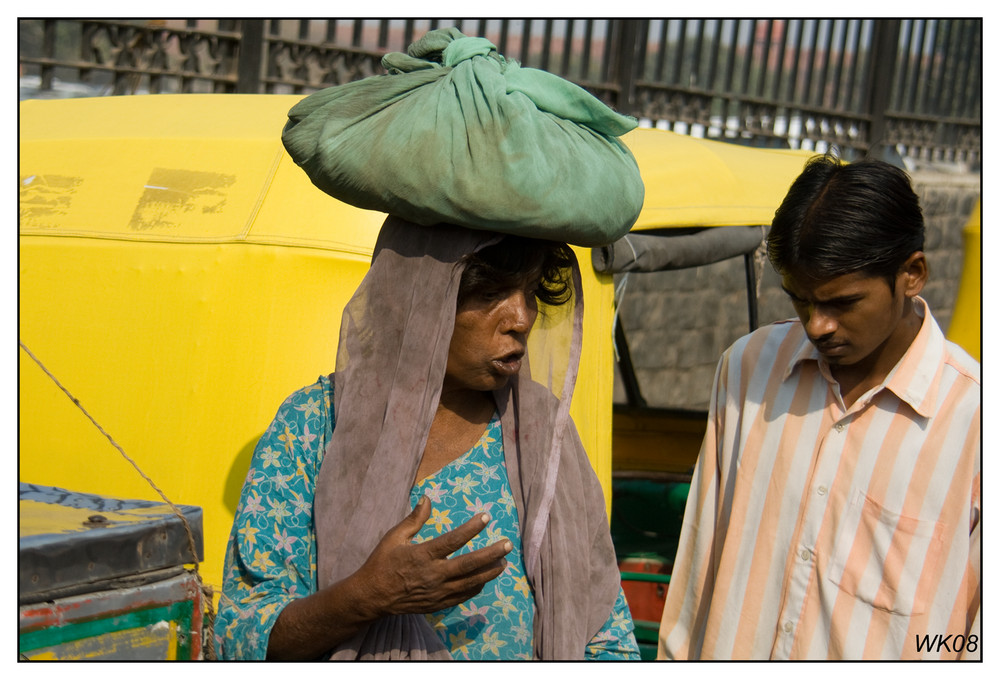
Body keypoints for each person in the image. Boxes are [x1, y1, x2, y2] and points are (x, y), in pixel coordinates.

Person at [214, 219, 641, 660]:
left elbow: (606, 637)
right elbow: (241, 636)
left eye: (531, 291)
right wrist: (366, 597)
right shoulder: (313, 424)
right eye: (491, 293)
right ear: (415, 299)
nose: (522, 318)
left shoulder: (541, 432)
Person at [657, 155, 980, 660]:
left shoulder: (976, 423)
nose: (816, 325)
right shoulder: (748, 369)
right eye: (800, 301)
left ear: (912, 274)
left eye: (842, 302)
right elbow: (699, 564)